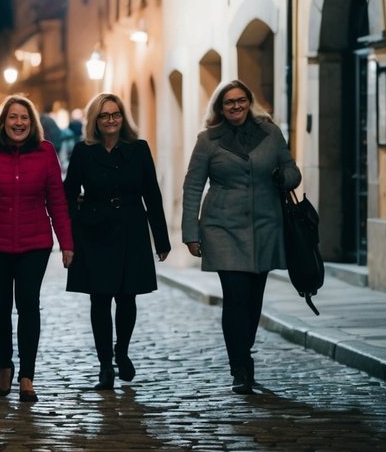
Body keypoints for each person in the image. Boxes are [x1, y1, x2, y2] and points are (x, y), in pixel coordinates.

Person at [181, 79, 301, 394]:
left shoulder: (270, 133)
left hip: (265, 224)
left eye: (241, 100)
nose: (236, 106)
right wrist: (190, 231)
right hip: (222, 226)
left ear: (249, 103)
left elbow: (292, 170)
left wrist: (283, 176)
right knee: (235, 296)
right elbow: (193, 184)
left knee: (254, 297)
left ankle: (243, 350)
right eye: (229, 102)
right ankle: (240, 366)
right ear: (220, 108)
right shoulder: (208, 140)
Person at [0, 95, 73, 402]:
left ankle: (27, 375)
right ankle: (5, 365)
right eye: (13, 117)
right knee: (0, 306)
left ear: (32, 122)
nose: (19, 123)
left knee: (28, 305)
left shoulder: (45, 153)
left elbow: (57, 201)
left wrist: (67, 244)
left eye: (24, 117)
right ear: (4, 122)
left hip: (34, 244)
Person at [64, 92, 170, 389]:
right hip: (94, 232)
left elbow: (152, 193)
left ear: (123, 118)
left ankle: (121, 352)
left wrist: (161, 238)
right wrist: (71, 232)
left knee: (127, 297)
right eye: (104, 115)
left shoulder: (138, 149)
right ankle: (104, 366)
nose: (110, 120)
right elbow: (68, 193)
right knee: (99, 299)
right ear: (95, 121)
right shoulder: (83, 151)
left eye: (115, 114)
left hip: (131, 230)